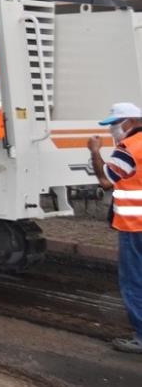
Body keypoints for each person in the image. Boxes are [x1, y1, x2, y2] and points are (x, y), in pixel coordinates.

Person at [87, 102, 142, 354]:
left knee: (134, 281)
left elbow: (104, 180)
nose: (112, 131)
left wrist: (95, 151)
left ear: (128, 122)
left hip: (135, 227)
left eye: (113, 125)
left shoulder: (129, 148)